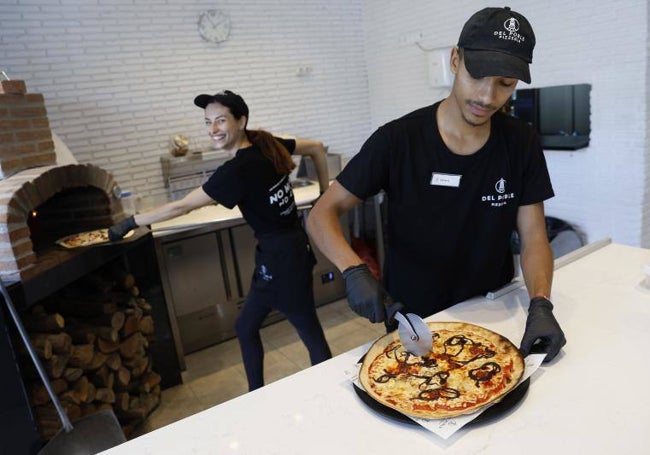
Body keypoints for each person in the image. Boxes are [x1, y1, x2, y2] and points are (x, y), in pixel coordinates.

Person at [306, 7, 566, 362]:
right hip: (417, 319)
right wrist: (353, 270)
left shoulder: (521, 142)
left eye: (505, 84)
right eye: (478, 76)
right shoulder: (398, 140)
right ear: (456, 60)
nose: (488, 97)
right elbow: (322, 213)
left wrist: (540, 303)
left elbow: (534, 234)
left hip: (494, 309)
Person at [109, 90, 332, 390]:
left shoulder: (237, 169)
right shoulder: (267, 143)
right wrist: (323, 194)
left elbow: (181, 206)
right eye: (207, 122)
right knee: (245, 326)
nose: (213, 129)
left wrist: (131, 221)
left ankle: (331, 390)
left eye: (220, 120)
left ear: (241, 120)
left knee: (309, 331)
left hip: (284, 259)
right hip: (279, 252)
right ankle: (256, 395)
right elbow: (317, 148)